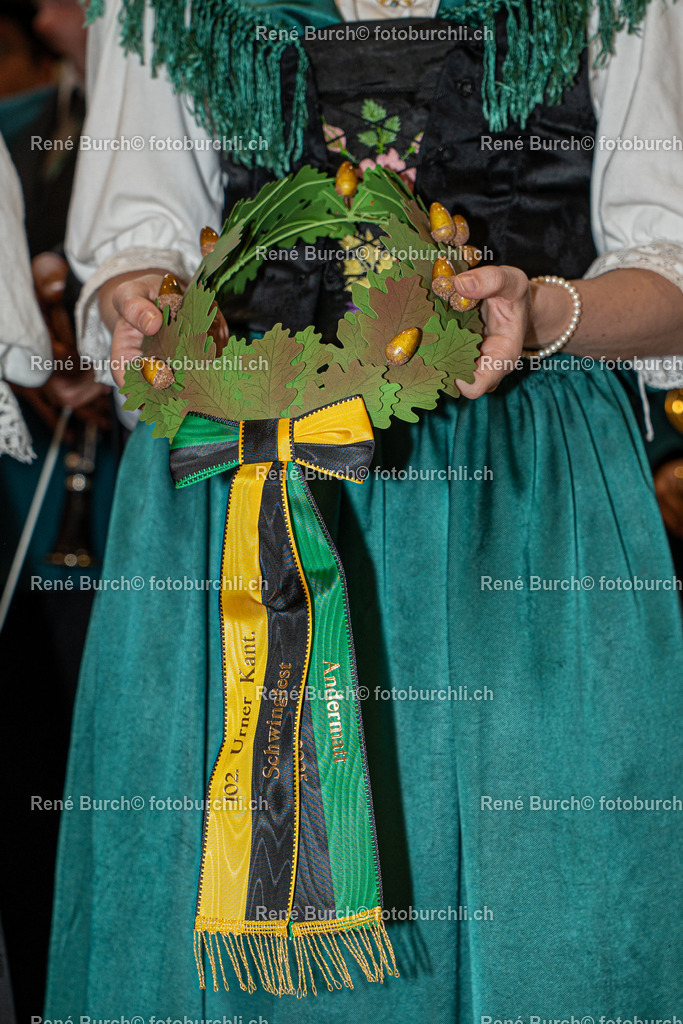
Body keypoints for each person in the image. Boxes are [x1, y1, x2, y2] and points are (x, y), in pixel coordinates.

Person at [46, 0, 683, 1017]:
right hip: (251, 480)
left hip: (520, 500)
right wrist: (143, 305)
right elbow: (136, 239)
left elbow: (668, 263)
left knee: (551, 893)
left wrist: (540, 314)